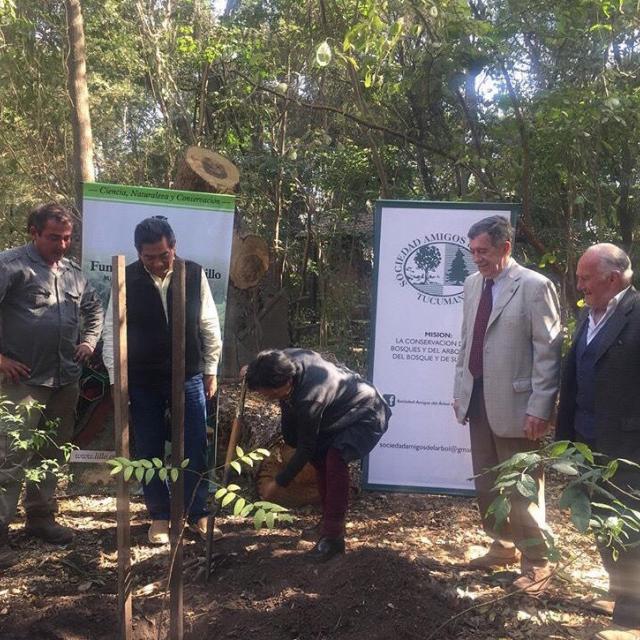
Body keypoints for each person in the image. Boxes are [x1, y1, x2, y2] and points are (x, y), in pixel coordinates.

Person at [453, 215, 562, 594]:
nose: (476, 258)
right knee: (487, 482)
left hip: (518, 406)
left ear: (505, 247)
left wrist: (540, 406)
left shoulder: (535, 286)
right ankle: (502, 547)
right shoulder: (471, 285)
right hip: (478, 400)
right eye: (473, 252)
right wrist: (460, 389)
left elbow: (548, 353)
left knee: (522, 486)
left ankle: (537, 562)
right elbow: (466, 341)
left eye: (483, 251)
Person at [102, 217, 222, 545]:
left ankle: (197, 511)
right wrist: (117, 380)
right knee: (149, 447)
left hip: (189, 376)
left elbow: (209, 324)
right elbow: (114, 331)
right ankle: (159, 515)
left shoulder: (194, 273)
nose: (156, 263)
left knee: (195, 444)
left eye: (163, 255)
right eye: (148, 257)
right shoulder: (126, 278)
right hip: (142, 379)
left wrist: (210, 369)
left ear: (174, 247)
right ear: (138, 253)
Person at [0, 202, 103, 563]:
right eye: (54, 237)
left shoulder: (74, 272)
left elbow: (94, 309)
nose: (62, 245)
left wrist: (89, 341)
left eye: (67, 238)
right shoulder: (10, 266)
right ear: (34, 232)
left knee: (52, 453)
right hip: (21, 382)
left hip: (65, 380)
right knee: (9, 456)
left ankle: (41, 519)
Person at [556, 244, 640, 640]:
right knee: (602, 522)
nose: (579, 285)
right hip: (585, 444)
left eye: (585, 278)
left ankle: (631, 615)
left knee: (628, 528)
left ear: (612, 278)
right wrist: (564, 441)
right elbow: (575, 377)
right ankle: (618, 590)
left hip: (627, 447)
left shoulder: (637, 315)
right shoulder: (586, 316)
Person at [244, 348, 391, 562]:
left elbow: (306, 448)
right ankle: (327, 522)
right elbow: (270, 359)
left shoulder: (310, 399)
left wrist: (279, 482)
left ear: (286, 384)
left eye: (269, 393)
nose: (266, 397)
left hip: (367, 413)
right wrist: (252, 372)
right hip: (339, 411)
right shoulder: (287, 360)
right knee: (319, 458)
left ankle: (333, 539)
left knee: (334, 458)